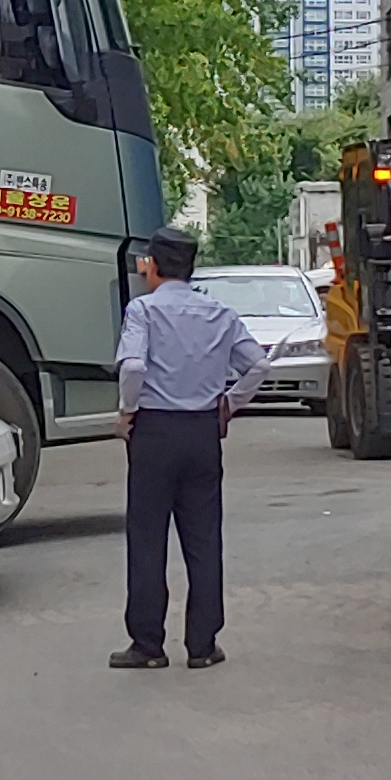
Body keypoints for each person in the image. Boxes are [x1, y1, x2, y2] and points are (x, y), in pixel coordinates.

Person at [110, 231, 264, 670]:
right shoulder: (219, 312)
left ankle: (147, 645)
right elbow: (258, 364)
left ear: (153, 266)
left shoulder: (142, 310)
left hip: (155, 431)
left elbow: (134, 365)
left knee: (146, 537)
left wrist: (127, 411)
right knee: (203, 539)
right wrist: (229, 403)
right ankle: (202, 644)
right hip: (202, 432)